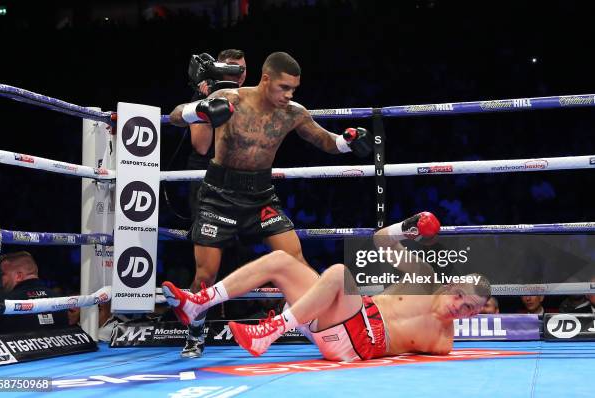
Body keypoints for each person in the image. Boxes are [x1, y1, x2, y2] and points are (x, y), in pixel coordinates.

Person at [167, 51, 373, 358]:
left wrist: (347, 141)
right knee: (205, 274)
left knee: (295, 259)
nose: (289, 95)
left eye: (293, 89)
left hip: (261, 195)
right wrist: (200, 108)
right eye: (284, 88)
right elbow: (174, 115)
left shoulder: (293, 113)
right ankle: (195, 336)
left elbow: (324, 140)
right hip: (218, 193)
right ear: (266, 79)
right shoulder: (230, 98)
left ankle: (317, 326)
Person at [162, 212, 490, 360]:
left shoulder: (442, 343)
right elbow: (380, 240)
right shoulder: (423, 276)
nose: (458, 306)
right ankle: (199, 303)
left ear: (473, 315)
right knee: (280, 261)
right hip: (344, 320)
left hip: (362, 343)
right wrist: (408, 227)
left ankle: (272, 331)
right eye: (460, 295)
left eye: (468, 309)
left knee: (337, 273)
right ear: (451, 285)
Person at [187, 49, 247, 217]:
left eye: (243, 68)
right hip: (206, 176)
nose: (240, 72)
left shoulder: (249, 98)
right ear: (219, 68)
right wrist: (207, 101)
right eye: (234, 67)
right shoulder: (201, 97)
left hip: (237, 177)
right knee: (206, 238)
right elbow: (201, 147)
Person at [0, 251, 69, 334]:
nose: (0, 280)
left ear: (19, 276)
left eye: (2, 274)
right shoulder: (60, 300)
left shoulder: (4, 304)